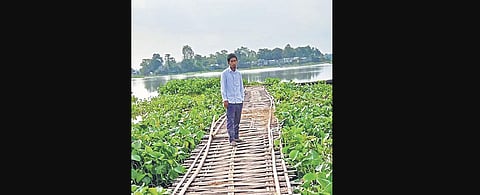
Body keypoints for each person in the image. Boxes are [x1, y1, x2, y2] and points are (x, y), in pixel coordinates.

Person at [220, 53, 245, 146]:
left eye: (235, 61)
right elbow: (223, 88)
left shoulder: (239, 74)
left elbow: (241, 87)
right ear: (228, 63)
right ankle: (231, 139)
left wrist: (242, 98)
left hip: (238, 100)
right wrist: (225, 99)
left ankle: (236, 137)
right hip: (230, 101)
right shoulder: (225, 74)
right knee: (230, 120)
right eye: (232, 61)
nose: (234, 63)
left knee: (237, 120)